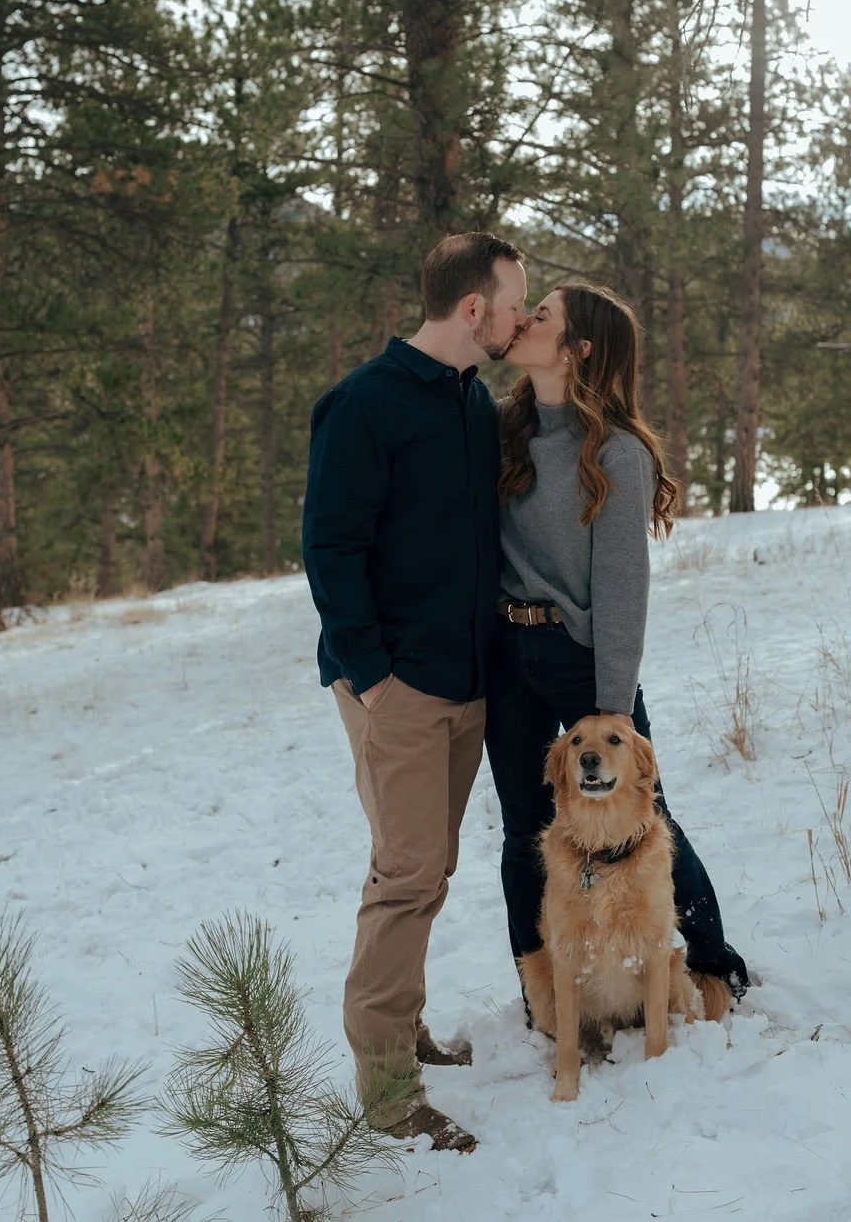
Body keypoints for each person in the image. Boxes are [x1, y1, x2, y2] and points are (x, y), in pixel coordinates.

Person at [302, 231, 528, 1154]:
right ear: (472, 308)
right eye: (517, 299)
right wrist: (375, 675)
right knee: (406, 874)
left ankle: (402, 1031)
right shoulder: (363, 404)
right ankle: (388, 1089)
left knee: (426, 865)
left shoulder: (473, 404)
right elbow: (330, 548)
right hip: (397, 686)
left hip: (466, 682)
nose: (523, 314)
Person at [484, 282, 749, 1024]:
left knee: (641, 812)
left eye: (545, 317)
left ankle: (709, 962)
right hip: (509, 654)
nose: (527, 319)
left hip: (580, 660)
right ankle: (546, 997)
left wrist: (612, 704)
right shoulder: (508, 430)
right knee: (523, 828)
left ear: (580, 348)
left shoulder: (617, 453)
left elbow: (623, 589)